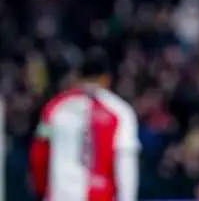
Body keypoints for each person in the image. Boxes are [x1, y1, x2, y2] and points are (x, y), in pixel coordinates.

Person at [29, 47, 140, 201]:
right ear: (107, 78)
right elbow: (125, 162)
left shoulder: (54, 108)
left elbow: (39, 155)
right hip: (100, 195)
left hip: (60, 195)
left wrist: (41, 191)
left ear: (77, 77)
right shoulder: (120, 111)